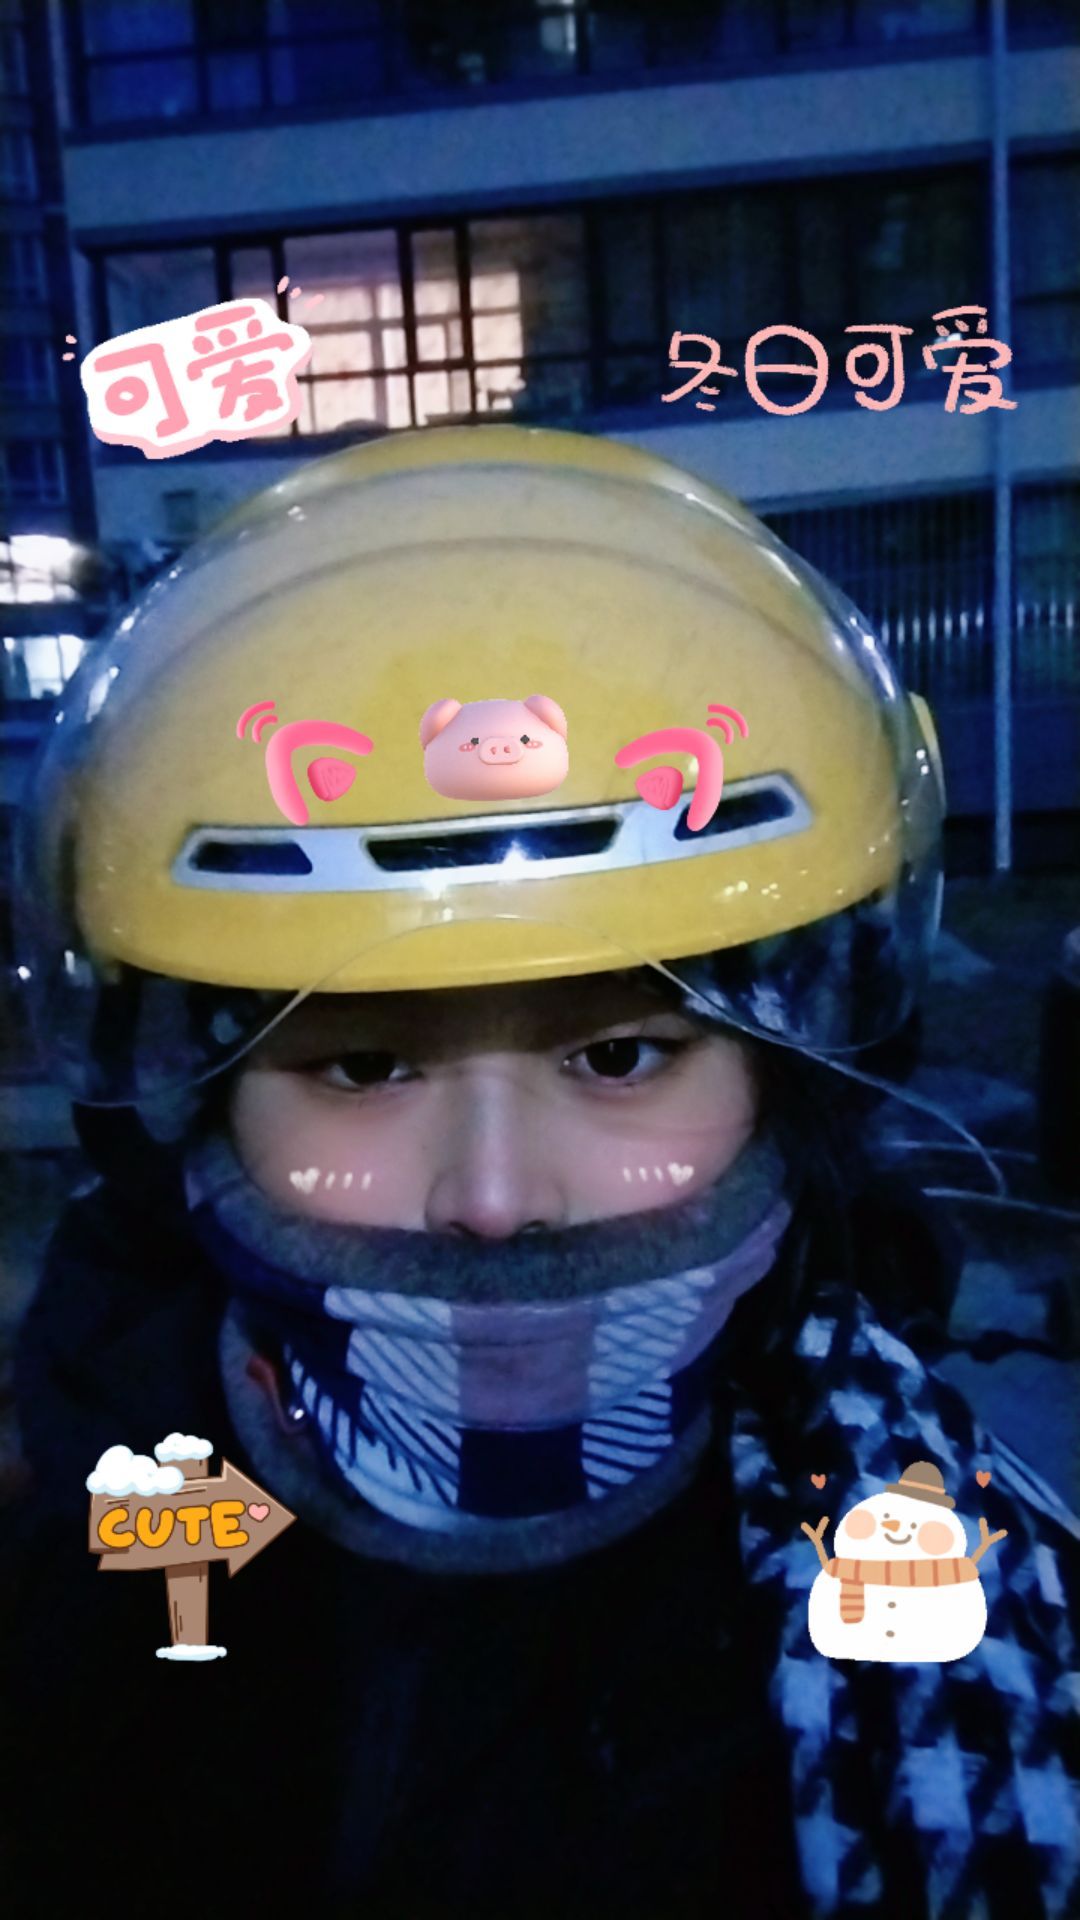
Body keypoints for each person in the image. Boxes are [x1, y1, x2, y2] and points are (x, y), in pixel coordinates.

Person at [1, 426, 1077, 1920]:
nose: (497, 1201)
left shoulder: (962, 1611)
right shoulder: (74, 1562)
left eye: (621, 1056)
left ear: (792, 1083)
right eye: (362, 1069)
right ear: (194, 1107)